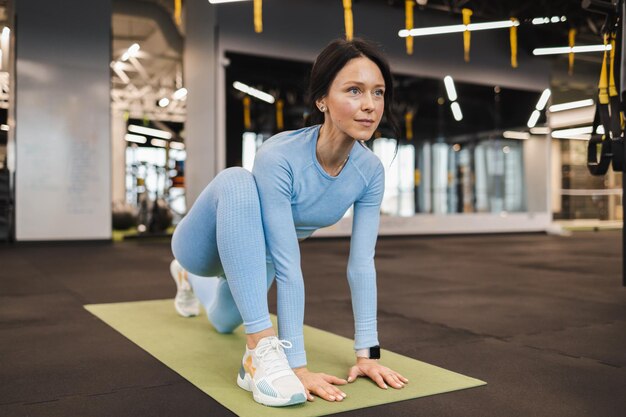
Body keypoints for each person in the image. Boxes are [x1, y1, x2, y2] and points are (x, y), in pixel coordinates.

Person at [170, 37, 409, 408]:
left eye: (378, 93)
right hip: (201, 246)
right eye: (354, 90)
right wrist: (297, 365)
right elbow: (288, 264)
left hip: (253, 259)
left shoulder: (369, 171)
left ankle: (191, 284)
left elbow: (362, 264)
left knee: (221, 324)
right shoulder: (279, 155)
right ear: (321, 100)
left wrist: (367, 355)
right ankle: (200, 284)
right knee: (236, 179)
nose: (369, 105)